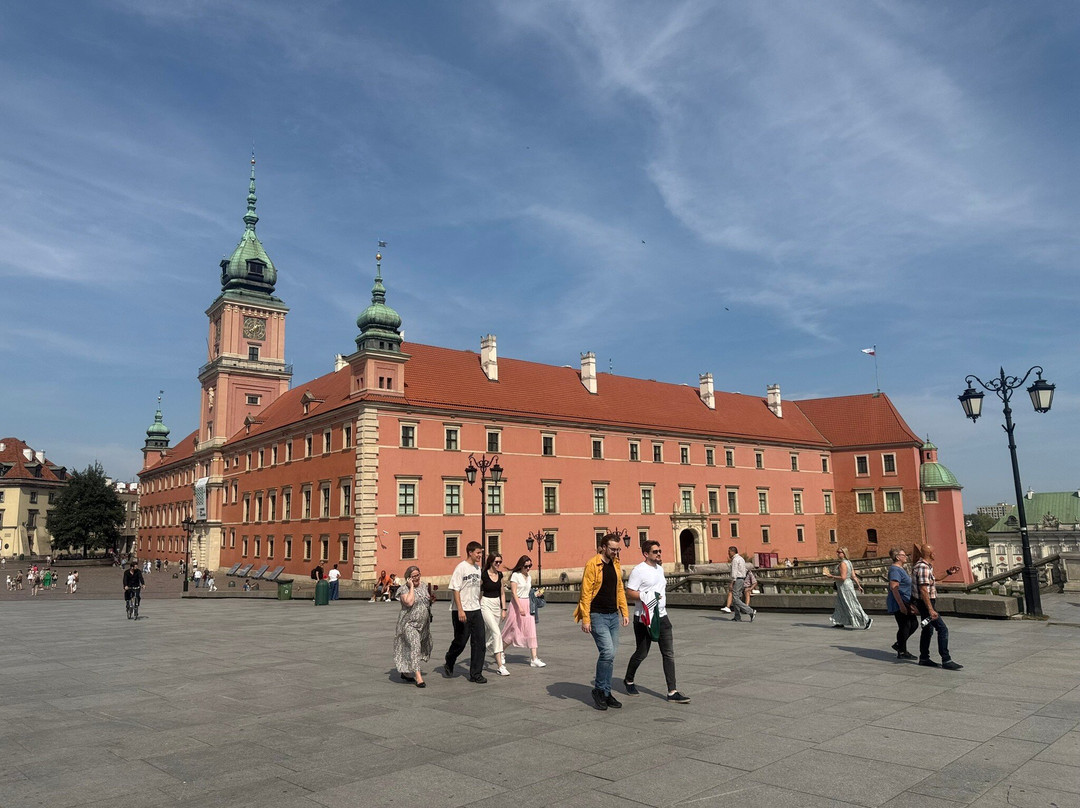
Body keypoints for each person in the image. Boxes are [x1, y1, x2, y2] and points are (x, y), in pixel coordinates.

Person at [623, 540, 690, 703]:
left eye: (660, 551)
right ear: (646, 554)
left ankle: (672, 691)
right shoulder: (638, 571)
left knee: (668, 654)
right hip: (644, 618)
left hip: (662, 616)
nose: (659, 553)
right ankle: (629, 679)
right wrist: (645, 596)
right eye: (655, 551)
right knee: (642, 653)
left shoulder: (660, 569)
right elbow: (629, 592)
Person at [574, 533, 629, 711]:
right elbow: (585, 593)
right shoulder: (592, 564)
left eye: (617, 549)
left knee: (611, 655)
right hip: (597, 615)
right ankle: (599, 690)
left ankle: (606, 692)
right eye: (613, 549)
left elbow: (619, 588)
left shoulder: (616, 563)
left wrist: (624, 611)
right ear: (603, 547)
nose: (615, 552)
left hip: (613, 615)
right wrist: (586, 619)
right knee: (607, 652)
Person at [913, 544, 963, 670]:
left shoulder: (923, 566)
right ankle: (946, 659)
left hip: (924, 603)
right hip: (926, 603)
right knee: (942, 629)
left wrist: (948, 572)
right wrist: (931, 609)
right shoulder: (923, 567)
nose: (935, 554)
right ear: (930, 554)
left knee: (927, 630)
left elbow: (933, 579)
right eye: (934, 552)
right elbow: (924, 590)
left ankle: (924, 658)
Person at [445, 541, 487, 683]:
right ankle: (450, 658)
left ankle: (476, 674)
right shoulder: (461, 568)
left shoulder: (477, 569)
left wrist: (480, 604)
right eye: (478, 553)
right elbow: (455, 589)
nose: (480, 555)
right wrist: (460, 610)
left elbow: (477, 589)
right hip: (461, 611)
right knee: (461, 641)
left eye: (481, 553)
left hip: (476, 609)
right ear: (470, 552)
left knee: (480, 642)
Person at [502, 555, 545, 667]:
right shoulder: (515, 576)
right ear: (521, 565)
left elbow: (528, 591)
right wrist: (520, 607)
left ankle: (534, 658)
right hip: (517, 605)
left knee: (531, 630)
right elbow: (513, 593)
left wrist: (537, 594)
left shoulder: (529, 576)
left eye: (530, 566)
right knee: (513, 630)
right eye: (526, 566)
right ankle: (500, 651)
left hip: (528, 604)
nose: (528, 568)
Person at [394, 566, 433, 687]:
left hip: (423, 625)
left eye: (418, 575)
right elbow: (409, 602)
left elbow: (427, 601)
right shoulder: (403, 589)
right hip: (409, 624)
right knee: (415, 646)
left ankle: (405, 672)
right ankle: (418, 677)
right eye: (413, 576)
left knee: (415, 647)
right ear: (408, 578)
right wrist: (411, 587)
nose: (416, 578)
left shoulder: (424, 586)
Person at [826, 548, 872, 630]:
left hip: (844, 587)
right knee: (841, 604)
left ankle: (867, 620)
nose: (837, 553)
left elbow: (843, 577)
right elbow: (853, 575)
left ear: (844, 553)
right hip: (846, 586)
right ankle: (840, 621)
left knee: (851, 604)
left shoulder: (843, 564)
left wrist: (831, 576)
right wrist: (859, 585)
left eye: (839, 552)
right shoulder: (849, 562)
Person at [480, 553, 510, 676]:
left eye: (500, 562)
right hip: (485, 604)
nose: (498, 564)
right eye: (496, 562)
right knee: (497, 633)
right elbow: (477, 591)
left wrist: (504, 609)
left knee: (489, 635)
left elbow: (502, 593)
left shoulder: (500, 575)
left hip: (497, 605)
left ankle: (479, 656)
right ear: (491, 562)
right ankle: (500, 665)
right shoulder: (484, 575)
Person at [886, 547, 918, 660]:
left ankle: (900, 645)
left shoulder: (900, 569)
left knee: (913, 624)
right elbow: (894, 588)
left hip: (905, 601)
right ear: (897, 557)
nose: (906, 557)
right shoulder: (895, 570)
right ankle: (902, 650)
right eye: (903, 555)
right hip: (899, 602)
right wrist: (901, 606)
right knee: (905, 626)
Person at [726, 546, 756, 622]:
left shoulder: (735, 560)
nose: (728, 553)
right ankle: (737, 616)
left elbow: (734, 572)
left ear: (733, 552)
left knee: (735, 598)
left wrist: (732, 582)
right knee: (737, 597)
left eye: (729, 552)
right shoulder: (741, 559)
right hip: (742, 579)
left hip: (737, 579)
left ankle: (750, 611)